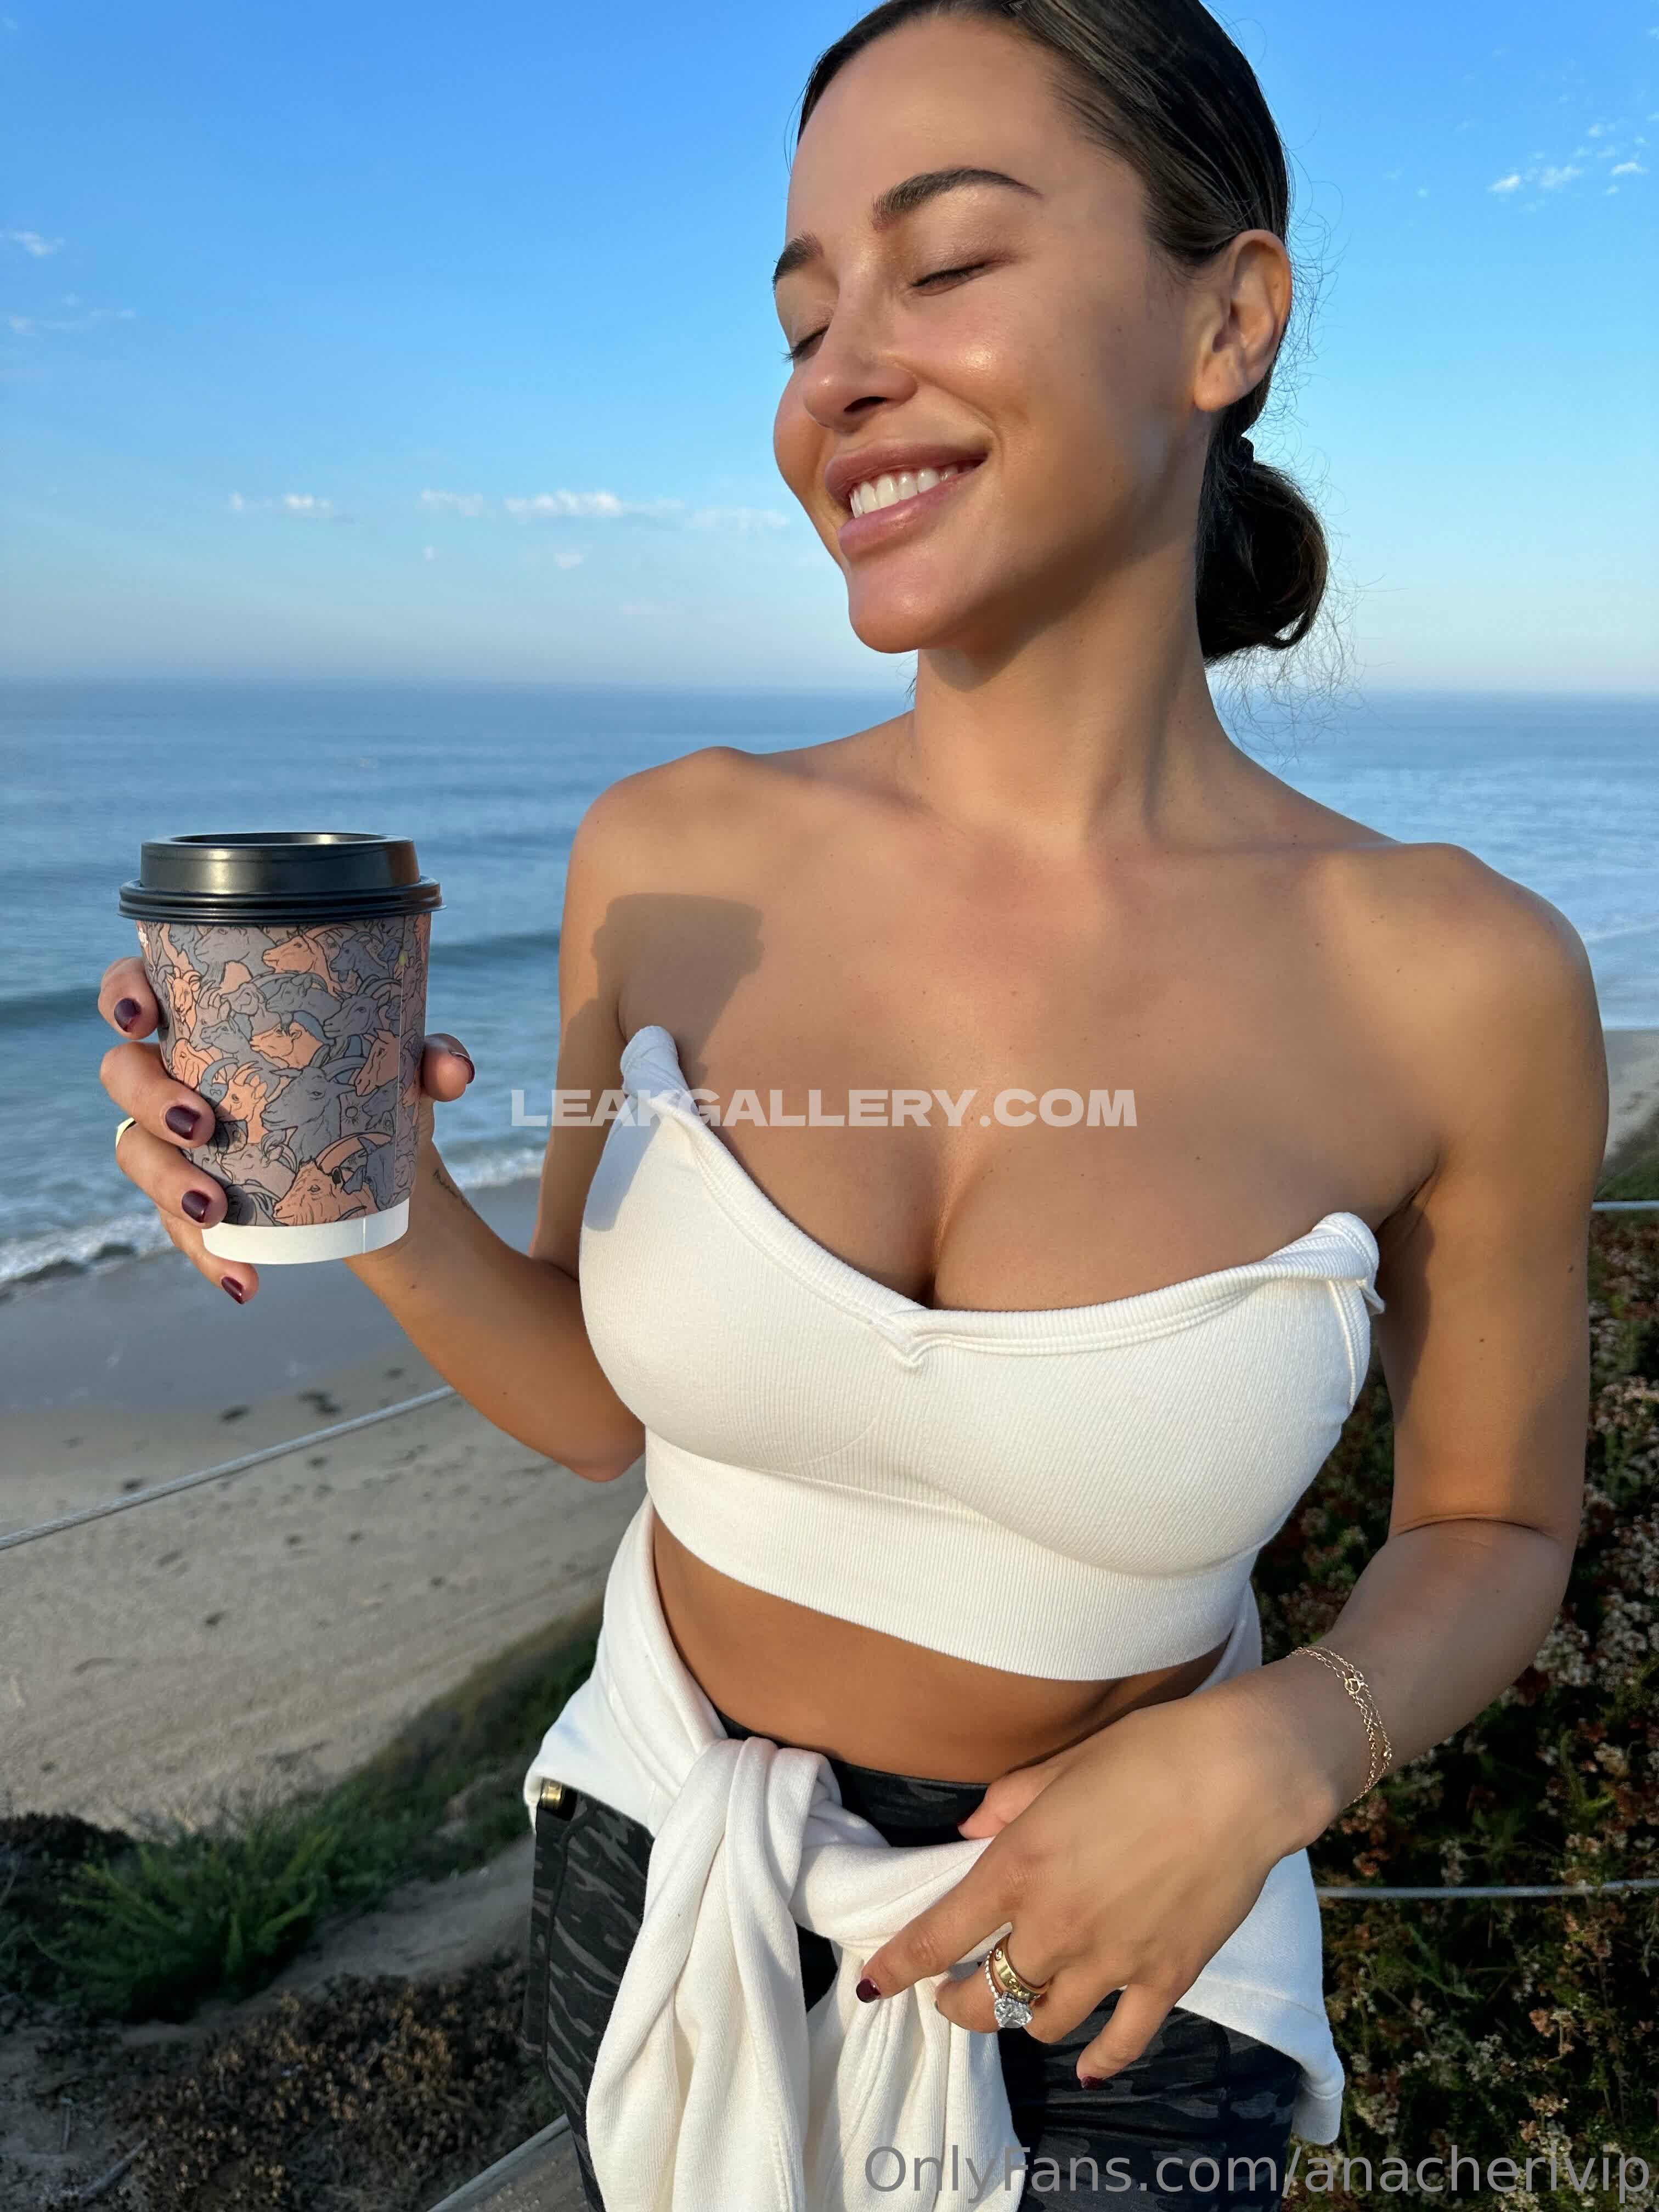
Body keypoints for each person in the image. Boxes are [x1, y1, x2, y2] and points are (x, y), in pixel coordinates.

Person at [97, 1, 1607, 2205]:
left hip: (1130, 1948)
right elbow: (596, 1407)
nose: (838, 377)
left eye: (948, 262)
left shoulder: (1459, 979)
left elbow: (1494, 1530)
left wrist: (1273, 1758)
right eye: (805, 320)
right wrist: (359, 1175)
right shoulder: (670, 853)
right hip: (657, 1866)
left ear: (1230, 316)